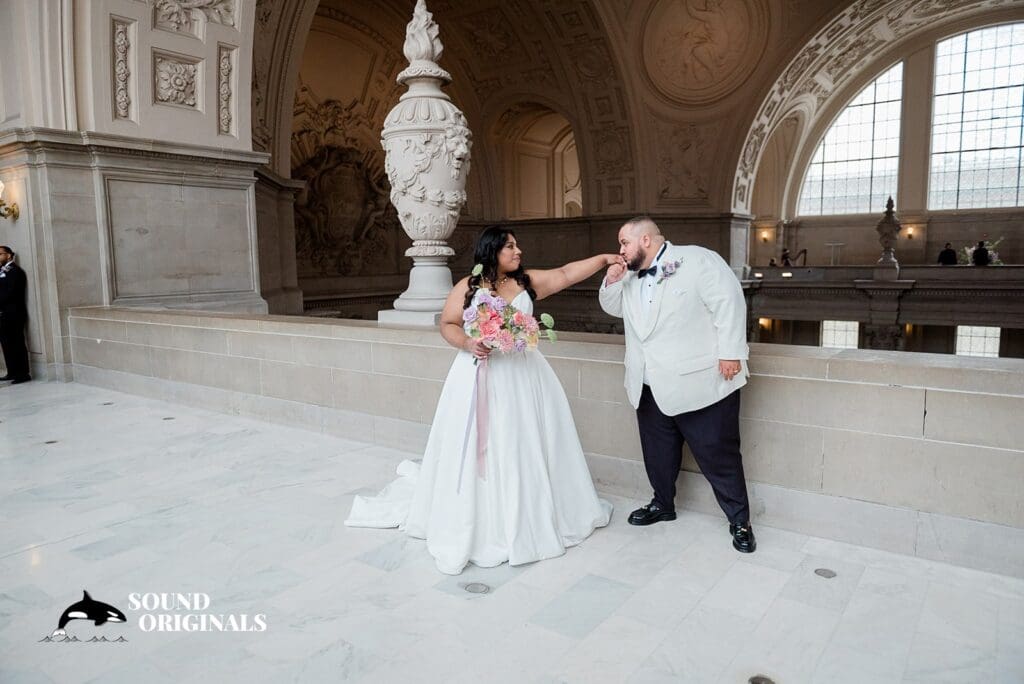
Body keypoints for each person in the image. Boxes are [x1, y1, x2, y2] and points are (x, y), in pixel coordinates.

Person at [346, 225, 617, 574]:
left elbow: (565, 273)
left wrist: (603, 259)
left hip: (523, 375)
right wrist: (469, 342)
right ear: (492, 251)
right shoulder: (469, 287)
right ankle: (482, 516)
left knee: (523, 440)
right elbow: (448, 323)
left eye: (518, 246)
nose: (518, 252)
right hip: (478, 374)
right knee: (480, 440)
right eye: (510, 247)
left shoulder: (526, 281)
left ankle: (528, 512)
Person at [598, 217, 755, 553]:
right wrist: (612, 280)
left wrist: (731, 353)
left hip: (702, 382)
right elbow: (612, 309)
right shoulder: (627, 274)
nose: (620, 250)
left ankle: (739, 520)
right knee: (658, 453)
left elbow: (729, 302)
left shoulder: (698, 259)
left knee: (719, 455)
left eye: (624, 242)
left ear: (645, 240)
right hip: (647, 382)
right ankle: (662, 504)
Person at [0, 245, 30, 384]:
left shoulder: (16, 271)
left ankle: (23, 374)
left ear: (9, 255)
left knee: (17, 343)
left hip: (14, 313)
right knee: (6, 344)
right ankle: (12, 371)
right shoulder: (2, 271)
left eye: (0, 254)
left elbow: (12, 293)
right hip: (3, 314)